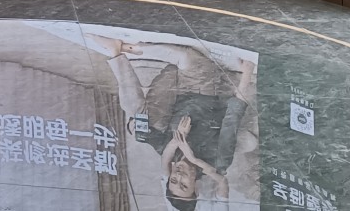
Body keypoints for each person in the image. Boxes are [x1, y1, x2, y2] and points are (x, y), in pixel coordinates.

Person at [87, 33, 256, 211]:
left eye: (174, 180)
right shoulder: (218, 160)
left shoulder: (167, 150)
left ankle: (116, 51)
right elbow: (232, 118)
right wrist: (247, 72)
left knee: (137, 120)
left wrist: (170, 139)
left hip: (170, 84)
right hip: (201, 85)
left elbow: (144, 133)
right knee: (185, 58)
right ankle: (133, 48)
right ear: (196, 189)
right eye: (184, 184)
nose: (179, 176)